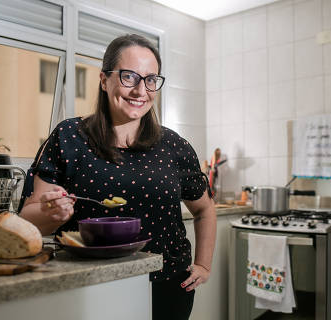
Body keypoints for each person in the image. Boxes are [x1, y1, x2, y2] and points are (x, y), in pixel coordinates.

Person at [19, 34, 217, 320]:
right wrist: (52, 214)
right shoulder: (69, 137)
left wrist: (204, 265)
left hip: (169, 286)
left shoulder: (174, 145)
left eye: (150, 80)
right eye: (128, 77)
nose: (140, 90)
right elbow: (28, 220)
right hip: (90, 286)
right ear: (103, 80)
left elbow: (205, 209)